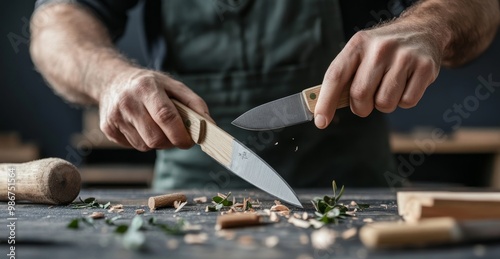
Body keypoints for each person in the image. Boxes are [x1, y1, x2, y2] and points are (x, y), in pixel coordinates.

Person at [30, 0, 500, 191]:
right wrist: (111, 78)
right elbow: (55, 24)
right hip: (189, 197)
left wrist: (429, 27)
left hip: (355, 192)